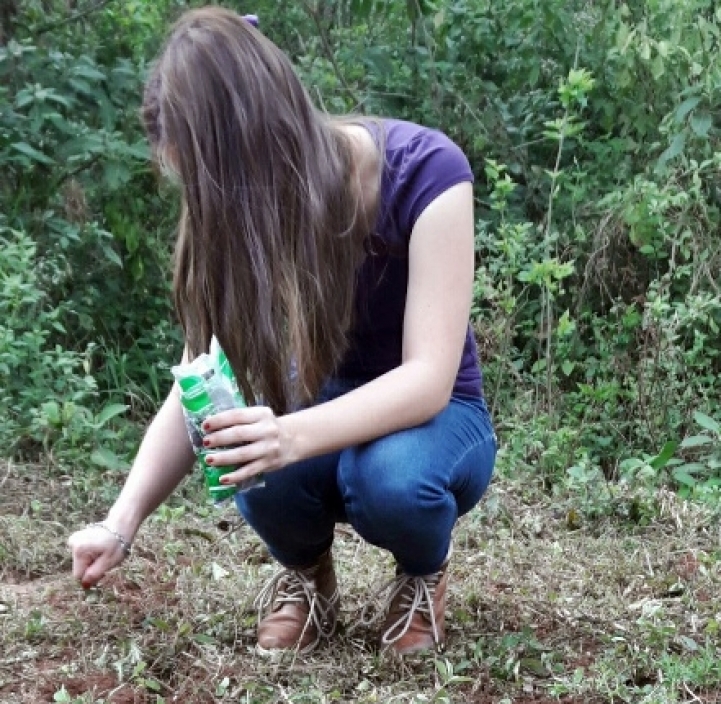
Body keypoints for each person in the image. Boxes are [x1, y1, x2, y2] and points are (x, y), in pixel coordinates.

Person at [67, 6, 497, 657]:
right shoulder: (243, 217)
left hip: (437, 419)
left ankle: (421, 571)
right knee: (246, 456)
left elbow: (428, 380)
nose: (206, 203)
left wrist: (285, 434)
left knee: (390, 479)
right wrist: (119, 523)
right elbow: (197, 385)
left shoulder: (427, 173)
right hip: (321, 412)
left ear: (250, 145)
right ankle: (306, 574)